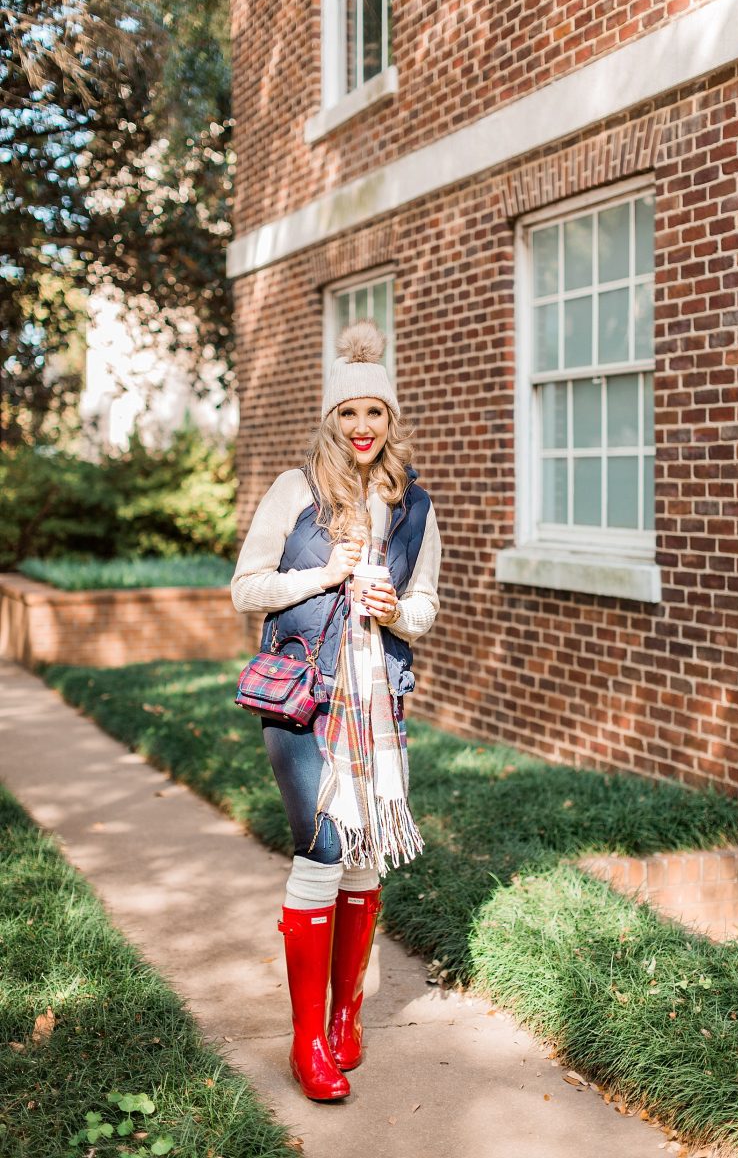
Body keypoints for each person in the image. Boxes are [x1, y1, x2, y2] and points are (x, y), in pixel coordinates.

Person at [231, 319, 441, 1101]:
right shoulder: (295, 490)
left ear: (391, 421)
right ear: (331, 418)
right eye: (348, 412)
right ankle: (306, 1041)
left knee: (364, 856)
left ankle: (347, 1017)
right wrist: (321, 578)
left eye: (374, 413)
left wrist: (393, 610)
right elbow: (247, 586)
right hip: (306, 704)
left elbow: (425, 606)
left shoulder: (414, 505)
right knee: (321, 854)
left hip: (379, 703)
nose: (361, 427)